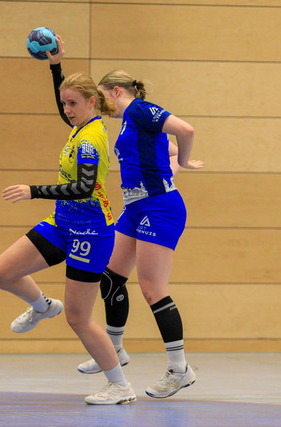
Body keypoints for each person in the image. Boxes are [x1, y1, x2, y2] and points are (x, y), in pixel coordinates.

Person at [46, 37, 204, 399]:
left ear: (117, 92)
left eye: (103, 99)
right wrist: (57, 67)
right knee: (111, 276)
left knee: (152, 288)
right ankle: (115, 349)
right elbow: (166, 149)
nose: (102, 107)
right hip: (135, 207)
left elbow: (186, 131)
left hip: (159, 208)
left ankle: (179, 368)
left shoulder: (140, 110)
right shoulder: (130, 124)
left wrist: (180, 164)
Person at [0, 61, 136, 404]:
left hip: (91, 233)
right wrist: (55, 66)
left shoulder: (90, 139)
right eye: (64, 103)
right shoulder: (80, 125)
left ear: (91, 102)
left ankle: (120, 386)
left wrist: (33, 191)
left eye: (72, 103)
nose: (67, 110)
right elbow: (67, 105)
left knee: (78, 318)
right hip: (62, 224)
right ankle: (42, 307)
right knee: (3, 271)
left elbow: (84, 188)